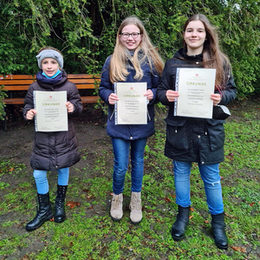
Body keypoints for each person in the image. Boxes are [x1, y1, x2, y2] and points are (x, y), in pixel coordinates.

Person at [157, 14, 236, 249]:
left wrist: (220, 97)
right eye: (190, 30)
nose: (194, 34)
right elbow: (161, 91)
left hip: (208, 129)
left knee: (211, 178)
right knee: (181, 172)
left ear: (206, 34)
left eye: (199, 31)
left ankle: (218, 223)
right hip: (180, 128)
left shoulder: (219, 60)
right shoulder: (173, 63)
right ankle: (183, 215)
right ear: (184, 34)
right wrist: (166, 96)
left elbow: (232, 91)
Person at [99, 16, 164, 224]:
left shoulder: (150, 60)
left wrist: (152, 94)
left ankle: (136, 199)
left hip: (141, 121)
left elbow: (160, 88)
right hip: (118, 121)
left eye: (134, 34)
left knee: (137, 161)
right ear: (119, 36)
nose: (130, 38)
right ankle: (117, 198)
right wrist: (107, 96)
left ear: (141, 36)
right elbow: (103, 87)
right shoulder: (111, 60)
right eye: (126, 34)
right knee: (120, 165)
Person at [23, 46, 83, 231]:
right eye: (45, 62)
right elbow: (27, 106)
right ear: (41, 65)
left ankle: (59, 204)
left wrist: (73, 107)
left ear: (59, 64)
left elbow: (79, 106)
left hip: (63, 137)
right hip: (42, 138)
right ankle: (44, 209)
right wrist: (28, 113)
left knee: (63, 167)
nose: (49, 66)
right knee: (38, 172)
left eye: (53, 62)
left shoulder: (69, 86)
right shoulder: (34, 87)